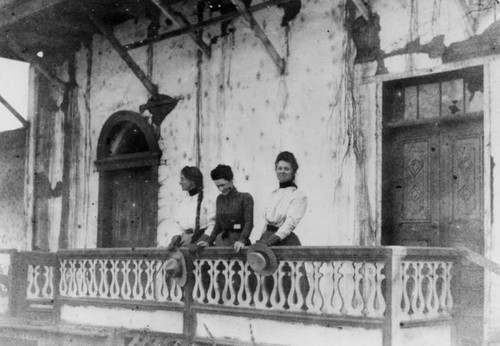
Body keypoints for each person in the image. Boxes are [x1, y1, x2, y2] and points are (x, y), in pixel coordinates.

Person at [198, 164, 254, 252]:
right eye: (217, 186)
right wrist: (209, 242)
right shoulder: (219, 199)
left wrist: (241, 240)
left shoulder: (245, 198)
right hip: (221, 242)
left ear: (231, 180)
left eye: (223, 185)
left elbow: (249, 223)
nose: (220, 189)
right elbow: (218, 225)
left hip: (238, 245)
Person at [258, 151, 307, 246]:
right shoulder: (273, 194)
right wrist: (261, 239)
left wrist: (272, 240)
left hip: (284, 241)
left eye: (286, 169)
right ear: (275, 170)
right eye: (279, 168)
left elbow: (290, 223)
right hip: (266, 239)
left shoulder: (298, 196)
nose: (282, 172)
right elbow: (267, 223)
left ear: (293, 172)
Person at [167, 166, 215, 250]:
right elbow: (178, 225)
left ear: (192, 181)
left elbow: (212, 225)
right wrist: (176, 238)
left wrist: (199, 241)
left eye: (182, 179)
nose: (180, 182)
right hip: (183, 241)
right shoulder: (180, 202)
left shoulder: (207, 200)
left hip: (201, 241)